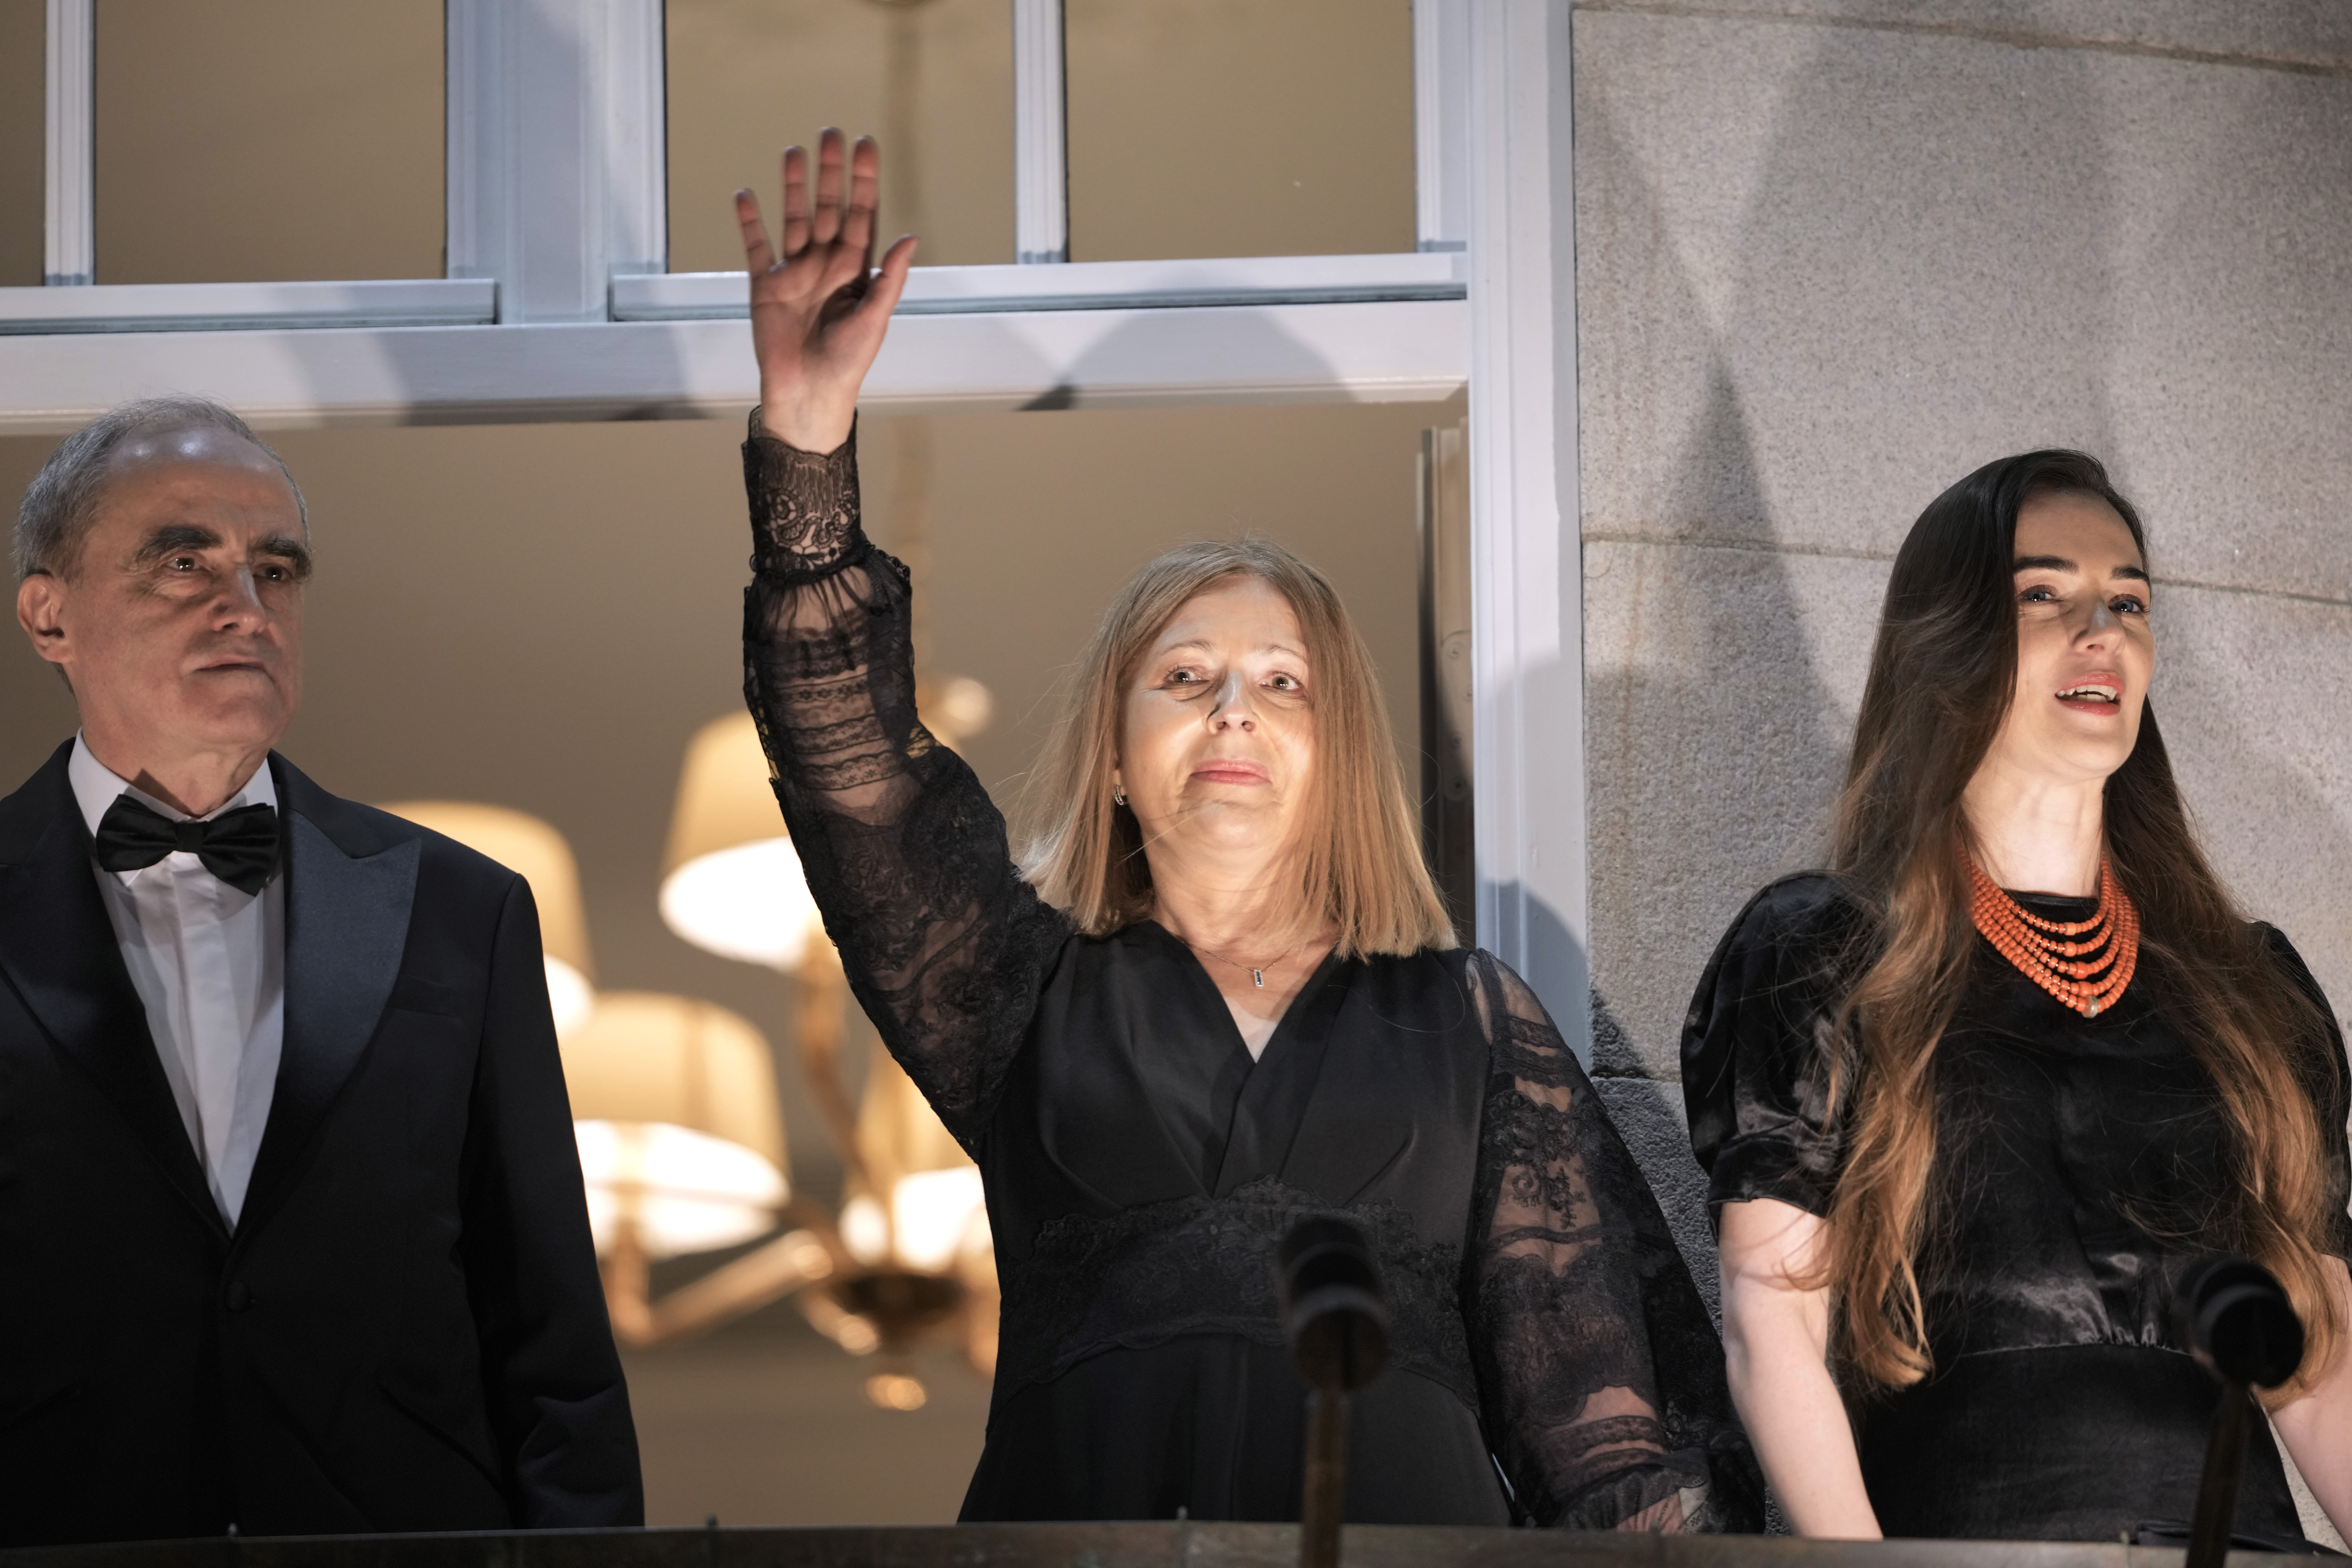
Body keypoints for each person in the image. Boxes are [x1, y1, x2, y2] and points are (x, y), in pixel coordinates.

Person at [729, 129, 1761, 1530]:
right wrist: (807, 434)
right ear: (1115, 756)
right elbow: (851, 764)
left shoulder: (1472, 1021)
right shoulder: (1018, 994)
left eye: (1284, 683)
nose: (1232, 710)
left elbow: (1602, 1444)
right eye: (1184, 677)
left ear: (1339, 759)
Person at [1682, 449, 2352, 1543]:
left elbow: (2324, 1369)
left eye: (2128, 600)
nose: (2105, 631)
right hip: (1963, 1538)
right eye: (2046, 594)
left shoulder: (2249, 989)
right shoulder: (1824, 955)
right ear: (1950, 644)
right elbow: (1773, 1323)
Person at [3, 399, 642, 1543]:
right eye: (181, 560)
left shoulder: (463, 909)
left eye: (276, 569)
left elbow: (551, 1346)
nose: (244, 607)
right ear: (49, 616)